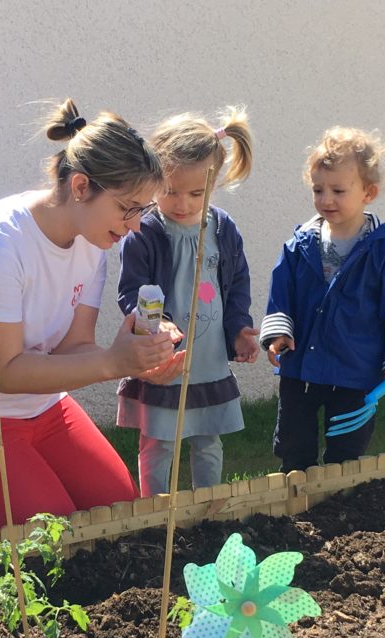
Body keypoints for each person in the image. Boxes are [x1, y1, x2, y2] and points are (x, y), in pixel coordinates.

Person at [0, 99, 182, 534]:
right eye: (129, 207)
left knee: (123, 516)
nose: (135, 226)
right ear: (79, 187)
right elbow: (4, 373)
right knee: (46, 537)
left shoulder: (93, 241)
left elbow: (74, 349)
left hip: (43, 406)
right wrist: (114, 362)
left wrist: (143, 359)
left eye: (142, 210)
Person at [260, 126, 385, 472]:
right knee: (294, 441)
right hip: (301, 364)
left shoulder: (384, 249)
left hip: (355, 367)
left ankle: (338, 508)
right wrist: (278, 331)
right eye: (318, 190)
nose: (326, 199)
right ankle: (293, 500)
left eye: (338, 190)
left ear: (369, 192)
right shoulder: (301, 242)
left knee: (346, 447)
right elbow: (281, 290)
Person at [116, 107, 259, 496]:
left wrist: (240, 330)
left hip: (208, 358)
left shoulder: (222, 227)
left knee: (208, 439)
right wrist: (153, 322)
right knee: (159, 441)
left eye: (196, 193)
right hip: (166, 359)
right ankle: (154, 511)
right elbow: (130, 290)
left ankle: (207, 509)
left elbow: (237, 283)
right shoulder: (144, 231)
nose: (182, 203)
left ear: (214, 184)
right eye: (170, 191)